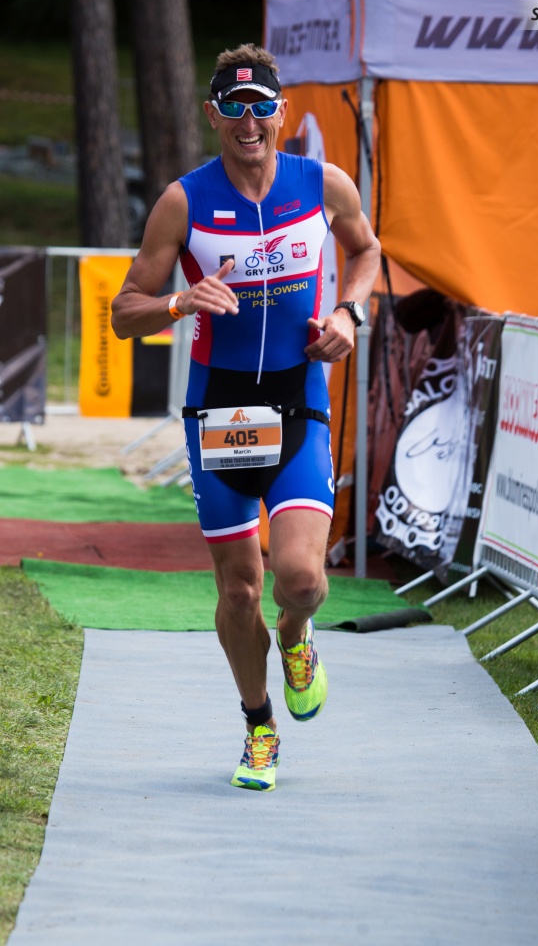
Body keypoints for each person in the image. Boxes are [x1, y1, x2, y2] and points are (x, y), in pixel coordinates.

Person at [111, 43, 381, 792]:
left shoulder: (322, 185)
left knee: (301, 579)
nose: (249, 122)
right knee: (237, 589)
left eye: (261, 106)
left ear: (281, 112)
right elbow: (124, 312)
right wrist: (179, 301)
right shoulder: (184, 201)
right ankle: (259, 726)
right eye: (234, 108)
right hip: (219, 410)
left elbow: (367, 252)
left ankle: (296, 635)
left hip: (299, 401)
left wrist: (349, 314)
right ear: (213, 115)